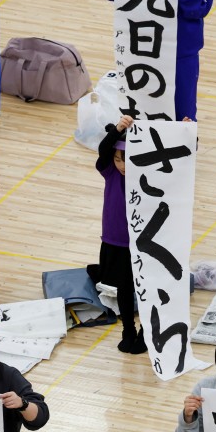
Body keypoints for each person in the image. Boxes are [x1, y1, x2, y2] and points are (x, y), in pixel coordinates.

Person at [105, 0, 213, 121]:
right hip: (144, 51)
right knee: (142, 103)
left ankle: (184, 146)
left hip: (182, 54)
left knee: (183, 107)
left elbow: (201, 9)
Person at [86, 115, 147, 354]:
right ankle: (128, 329)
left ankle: (145, 330)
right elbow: (103, 149)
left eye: (127, 160)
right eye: (118, 158)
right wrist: (119, 129)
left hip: (143, 243)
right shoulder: (110, 171)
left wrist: (185, 133)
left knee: (144, 288)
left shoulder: (148, 176)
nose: (122, 165)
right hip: (116, 240)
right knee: (124, 287)